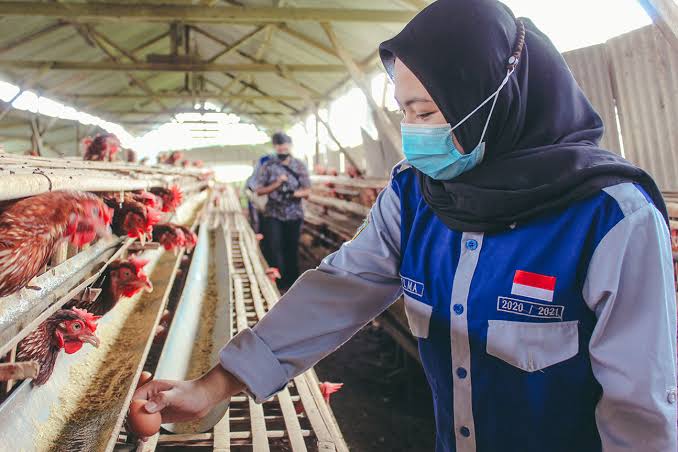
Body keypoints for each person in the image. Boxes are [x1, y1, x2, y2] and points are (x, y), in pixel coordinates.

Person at [134, 1, 677, 451]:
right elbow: (342, 287)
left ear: (493, 100)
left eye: (426, 113)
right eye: (403, 111)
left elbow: (640, 411)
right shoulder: (416, 194)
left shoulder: (610, 219)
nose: (411, 134)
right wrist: (216, 385)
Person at [254, 132, 311, 289]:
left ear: (290, 146)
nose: (282, 149)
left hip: (294, 213)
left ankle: (293, 283)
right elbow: (259, 190)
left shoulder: (299, 165)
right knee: (274, 248)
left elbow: (307, 190)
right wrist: (277, 184)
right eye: (279, 147)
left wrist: (293, 193)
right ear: (275, 147)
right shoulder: (268, 166)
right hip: (274, 213)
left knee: (291, 248)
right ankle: (278, 283)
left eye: (284, 146)